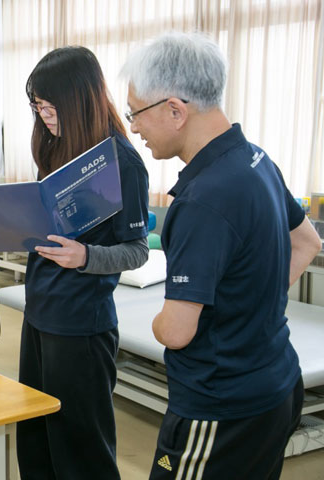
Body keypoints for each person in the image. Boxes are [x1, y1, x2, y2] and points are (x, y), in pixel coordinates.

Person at [119, 32, 322, 479]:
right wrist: (249, 302)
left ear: (175, 110)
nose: (133, 127)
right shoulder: (255, 159)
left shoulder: (201, 200)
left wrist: (159, 319)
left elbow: (175, 331)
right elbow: (308, 242)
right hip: (277, 382)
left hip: (222, 406)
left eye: (136, 113)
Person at [17, 47, 150, 479]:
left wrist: (85, 256)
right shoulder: (58, 149)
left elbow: (136, 250)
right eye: (37, 107)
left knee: (80, 446)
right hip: (39, 314)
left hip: (81, 324)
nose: (44, 117)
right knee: (36, 439)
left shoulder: (122, 163)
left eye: (50, 107)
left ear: (79, 99)